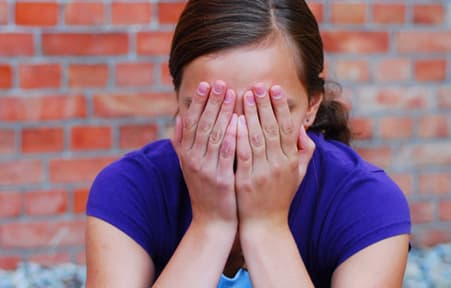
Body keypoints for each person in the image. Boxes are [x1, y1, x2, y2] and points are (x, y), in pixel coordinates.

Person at [85, 0, 411, 287]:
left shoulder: (366, 201)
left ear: (312, 104)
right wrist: (210, 225)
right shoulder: (130, 187)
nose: (238, 138)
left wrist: (266, 227)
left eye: (266, 112)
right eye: (213, 109)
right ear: (179, 100)